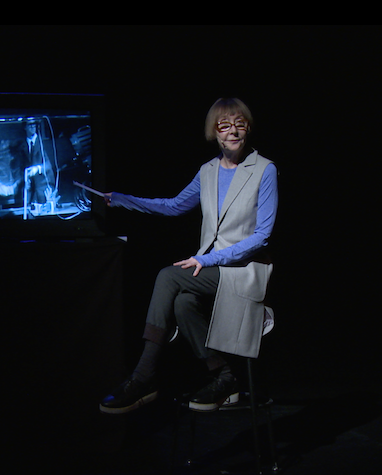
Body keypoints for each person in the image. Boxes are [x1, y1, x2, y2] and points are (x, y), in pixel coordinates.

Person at [99, 98, 278, 414]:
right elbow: (174, 206)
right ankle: (224, 376)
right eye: (225, 125)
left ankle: (143, 376)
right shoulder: (208, 171)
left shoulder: (264, 170)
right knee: (183, 303)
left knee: (168, 277)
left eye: (239, 124)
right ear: (214, 132)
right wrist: (123, 199)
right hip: (213, 268)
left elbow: (262, 235)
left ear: (248, 128)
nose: (233, 131)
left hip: (244, 269)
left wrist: (207, 260)